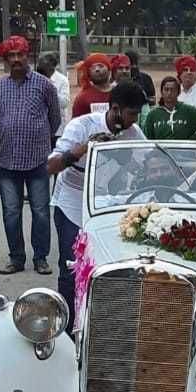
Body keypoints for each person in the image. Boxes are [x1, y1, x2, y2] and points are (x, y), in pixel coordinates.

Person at [48, 81, 147, 326]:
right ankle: (68, 325)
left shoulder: (133, 134)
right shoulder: (82, 126)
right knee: (72, 268)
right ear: (115, 109)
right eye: (131, 113)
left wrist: (128, 161)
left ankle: (101, 323)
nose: (134, 120)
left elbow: (147, 164)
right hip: (72, 204)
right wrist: (82, 150)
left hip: (105, 208)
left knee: (108, 266)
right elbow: (51, 166)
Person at [0, 35, 61, 276]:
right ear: (6, 59)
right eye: (12, 56)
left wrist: (40, 138)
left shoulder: (44, 85)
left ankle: (40, 257)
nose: (17, 59)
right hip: (8, 162)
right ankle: (16, 258)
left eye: (20, 54)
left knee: (41, 211)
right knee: (11, 212)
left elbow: (55, 119)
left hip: (38, 162)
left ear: (27, 56)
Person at [143, 75, 196, 140]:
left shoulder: (188, 110)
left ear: (178, 92)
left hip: (184, 151)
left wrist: (193, 140)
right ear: (161, 92)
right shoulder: (153, 115)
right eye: (166, 89)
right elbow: (148, 140)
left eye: (173, 90)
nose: (169, 93)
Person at [36, 52, 71, 127]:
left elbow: (65, 102)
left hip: (57, 127)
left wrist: (50, 91)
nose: (39, 66)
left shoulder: (62, 80)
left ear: (52, 66)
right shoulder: (34, 78)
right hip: (38, 124)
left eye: (43, 64)